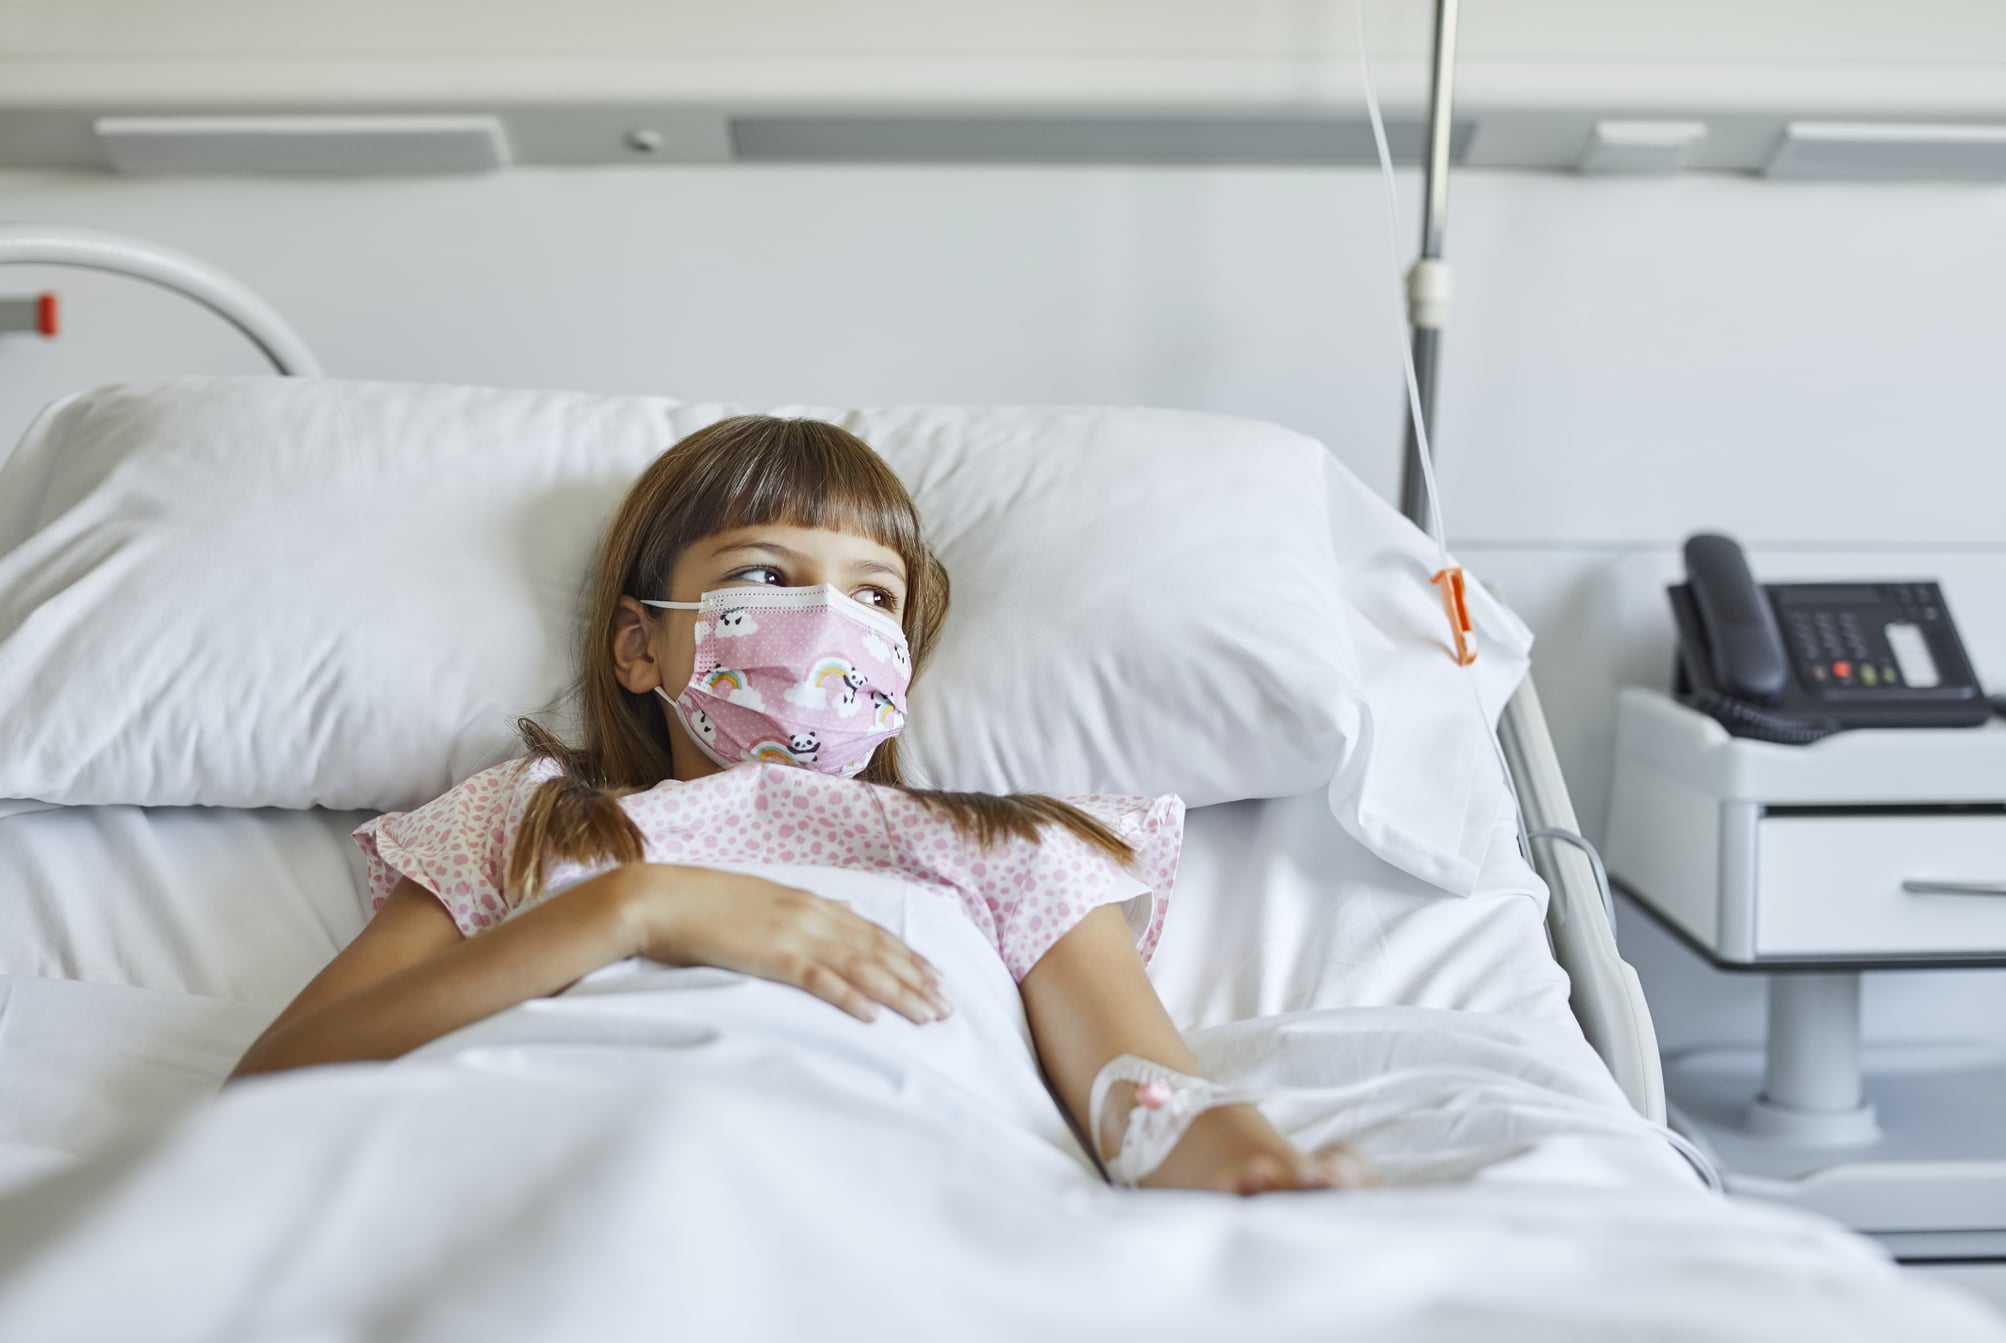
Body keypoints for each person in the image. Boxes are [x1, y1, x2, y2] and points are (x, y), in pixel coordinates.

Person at [232, 415, 1361, 1194]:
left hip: (888, 1176)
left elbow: (1144, 1090)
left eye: (873, 595)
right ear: (640, 642)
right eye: (762, 577)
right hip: (547, 1158)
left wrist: (1253, 1171)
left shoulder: (997, 841)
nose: (828, 621)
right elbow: (282, 1077)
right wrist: (626, 911)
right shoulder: (532, 820)